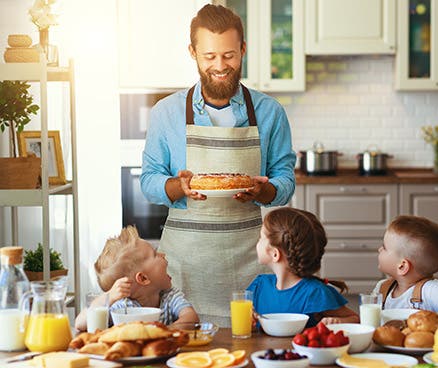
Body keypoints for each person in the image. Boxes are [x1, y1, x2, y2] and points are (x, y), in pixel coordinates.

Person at [140, 4, 296, 326]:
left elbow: (285, 181)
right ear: (193, 52)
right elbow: (149, 180)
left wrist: (263, 190)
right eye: (209, 56)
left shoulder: (269, 112)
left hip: (250, 260)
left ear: (242, 50)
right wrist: (176, 186)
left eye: (228, 55)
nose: (220, 66)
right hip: (185, 265)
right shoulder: (166, 112)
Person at [247, 208, 359, 327]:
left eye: (261, 238)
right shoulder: (258, 285)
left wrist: (338, 322)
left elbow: (355, 319)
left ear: (275, 254)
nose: (257, 242)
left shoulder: (315, 292)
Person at [74, 226, 199, 331]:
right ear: (143, 278)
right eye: (155, 254)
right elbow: (80, 324)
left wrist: (165, 332)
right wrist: (109, 297)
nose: (163, 255)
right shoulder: (123, 307)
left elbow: (191, 318)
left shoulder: (169, 296)